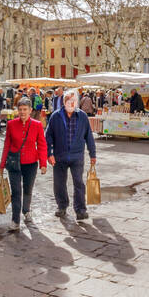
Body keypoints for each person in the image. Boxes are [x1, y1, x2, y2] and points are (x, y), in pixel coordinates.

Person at [47, 91, 97, 226]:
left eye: (73, 100)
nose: (71, 103)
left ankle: (80, 210)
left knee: (79, 183)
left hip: (77, 156)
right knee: (59, 183)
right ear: (64, 102)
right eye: (68, 100)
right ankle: (62, 206)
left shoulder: (82, 116)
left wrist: (93, 154)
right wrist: (49, 153)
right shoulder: (55, 116)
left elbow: (89, 137)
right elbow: (48, 136)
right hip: (59, 156)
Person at [1, 96, 48, 231]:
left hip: (31, 162)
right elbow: (7, 145)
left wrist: (43, 164)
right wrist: (2, 164)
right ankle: (15, 220)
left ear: (30, 110)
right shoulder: (11, 124)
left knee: (28, 189)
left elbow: (42, 145)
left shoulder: (37, 125)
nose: (22, 112)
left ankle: (26, 210)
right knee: (16, 192)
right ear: (17, 110)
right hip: (14, 163)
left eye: (25, 109)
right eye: (20, 109)